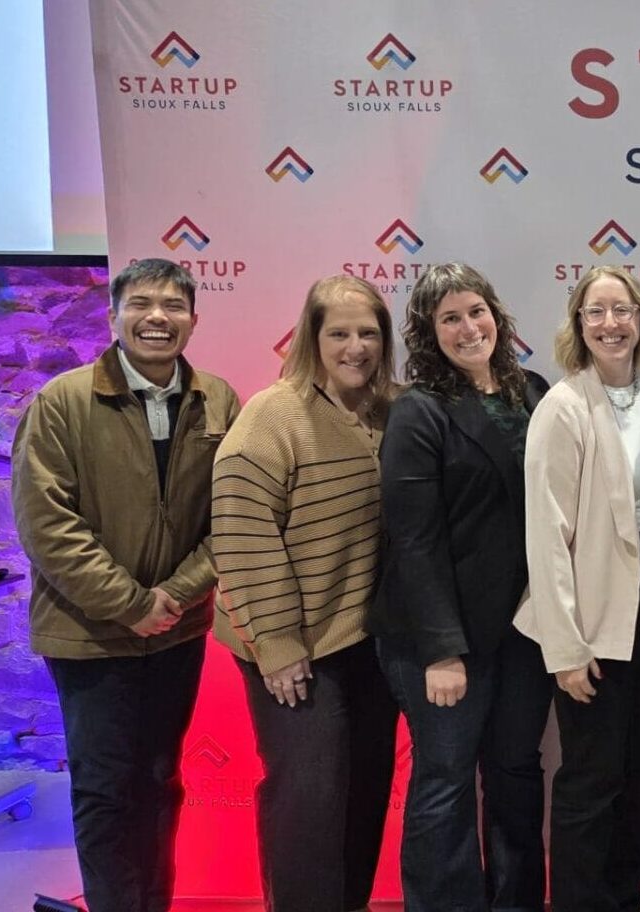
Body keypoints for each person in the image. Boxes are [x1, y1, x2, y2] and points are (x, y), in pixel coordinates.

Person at [11, 257, 240, 912]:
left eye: (173, 305)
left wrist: (178, 595)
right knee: (106, 791)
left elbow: (232, 513)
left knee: (160, 781)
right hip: (89, 634)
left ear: (193, 319)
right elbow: (47, 523)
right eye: (141, 304)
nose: (157, 317)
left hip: (176, 632)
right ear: (114, 316)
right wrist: (131, 604)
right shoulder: (62, 402)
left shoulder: (217, 400)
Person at [210, 275, 400, 912]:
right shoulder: (274, 415)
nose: (356, 347)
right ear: (310, 339)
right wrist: (278, 643)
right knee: (309, 801)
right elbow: (241, 532)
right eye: (339, 333)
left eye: (368, 333)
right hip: (296, 648)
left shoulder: (388, 410)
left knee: (364, 793)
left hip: (368, 641)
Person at [368, 262, 552, 912]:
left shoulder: (533, 391)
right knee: (445, 780)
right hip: (442, 637)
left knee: (516, 771)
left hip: (525, 628)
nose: (469, 327)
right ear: (429, 332)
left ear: (496, 316)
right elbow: (412, 541)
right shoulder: (418, 411)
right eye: (450, 318)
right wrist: (442, 650)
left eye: (476, 311)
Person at [516, 266, 640, 912]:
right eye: (596, 312)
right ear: (578, 324)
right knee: (592, 777)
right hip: (592, 614)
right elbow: (546, 537)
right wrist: (565, 648)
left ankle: (624, 895)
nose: (611, 324)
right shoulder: (562, 408)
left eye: (622, 310)